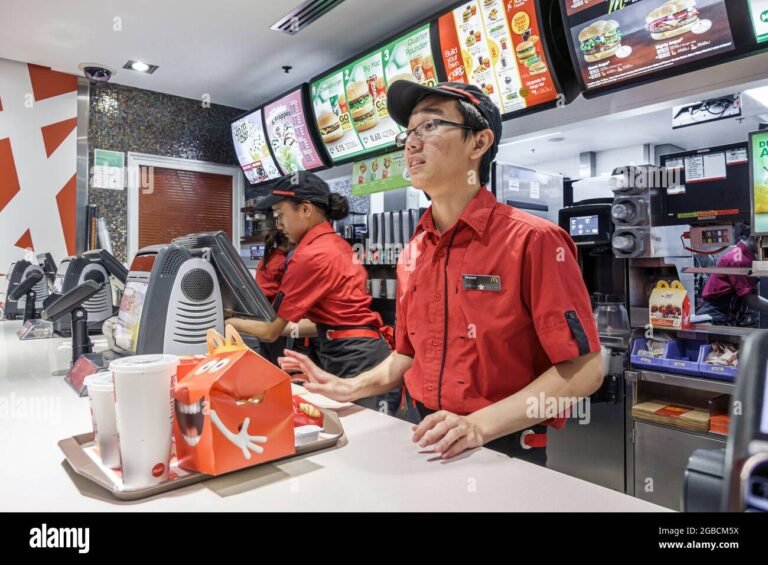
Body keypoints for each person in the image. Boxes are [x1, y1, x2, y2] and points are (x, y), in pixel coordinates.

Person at [278, 81, 604, 464]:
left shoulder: (534, 241)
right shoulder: (413, 252)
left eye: (430, 126)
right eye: (408, 133)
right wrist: (349, 387)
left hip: (503, 448)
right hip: (423, 436)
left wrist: (477, 426)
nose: (411, 144)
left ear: (478, 143)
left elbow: (585, 369)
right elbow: (407, 355)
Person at [228, 172, 398, 412]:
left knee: (363, 427)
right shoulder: (333, 243)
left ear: (306, 209)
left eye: (281, 214)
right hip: (359, 350)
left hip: (354, 357)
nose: (279, 224)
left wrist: (226, 320)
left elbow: (270, 331)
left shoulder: (311, 255)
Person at [697, 224, 768, 325]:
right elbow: (752, 301)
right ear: (754, 237)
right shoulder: (740, 259)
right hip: (715, 317)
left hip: (724, 316)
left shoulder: (744, 256)